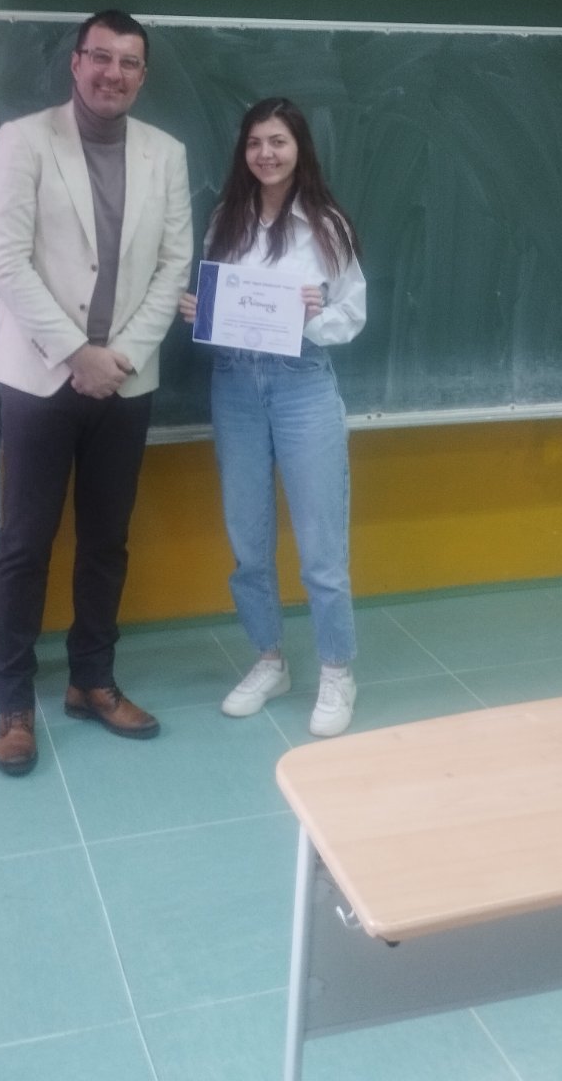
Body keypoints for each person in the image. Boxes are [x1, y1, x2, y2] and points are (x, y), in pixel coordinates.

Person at [0, 9, 192, 775]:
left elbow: (174, 265)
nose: (113, 73)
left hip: (125, 383)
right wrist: (76, 353)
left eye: (128, 62)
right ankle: (12, 701)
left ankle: (91, 681)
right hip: (38, 377)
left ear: (142, 75)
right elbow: (5, 261)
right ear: (75, 64)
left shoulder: (166, 153)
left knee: (106, 539)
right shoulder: (25, 140)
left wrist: (119, 358)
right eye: (100, 57)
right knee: (24, 542)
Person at [178, 98, 366, 737]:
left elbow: (353, 313)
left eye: (278, 141)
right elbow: (219, 304)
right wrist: (199, 311)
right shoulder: (225, 220)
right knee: (248, 540)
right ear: (244, 151)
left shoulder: (326, 224)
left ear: (298, 148)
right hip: (234, 384)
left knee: (321, 544)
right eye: (255, 142)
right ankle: (269, 660)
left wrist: (314, 314)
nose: (266, 153)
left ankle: (337, 670)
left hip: (301, 383)